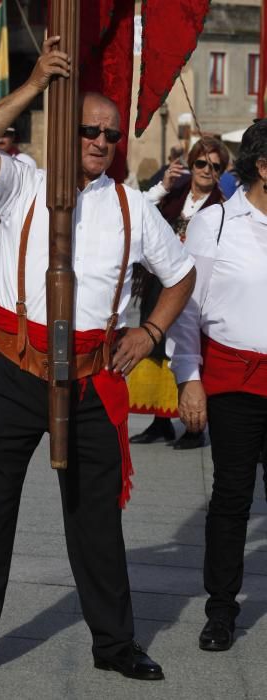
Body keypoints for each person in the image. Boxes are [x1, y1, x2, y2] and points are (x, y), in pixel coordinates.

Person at [0, 38, 195, 686]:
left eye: (110, 133)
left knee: (95, 522)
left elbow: (181, 273)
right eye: (88, 130)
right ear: (66, 129)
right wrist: (33, 83)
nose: (101, 141)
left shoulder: (132, 206)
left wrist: (150, 330)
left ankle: (114, 643)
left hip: (87, 383)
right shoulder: (24, 182)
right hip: (12, 372)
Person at [167, 119, 267, 652]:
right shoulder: (218, 223)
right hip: (232, 377)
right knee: (233, 495)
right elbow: (188, 308)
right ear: (264, 168)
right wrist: (189, 377)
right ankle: (222, 609)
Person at [129, 137, 229, 449]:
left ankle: (194, 427)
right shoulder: (175, 193)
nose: (206, 170)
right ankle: (161, 422)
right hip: (160, 281)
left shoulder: (220, 207)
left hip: (194, 286)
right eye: (201, 163)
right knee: (156, 347)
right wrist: (163, 186)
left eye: (214, 166)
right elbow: (138, 212)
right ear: (192, 163)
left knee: (186, 347)